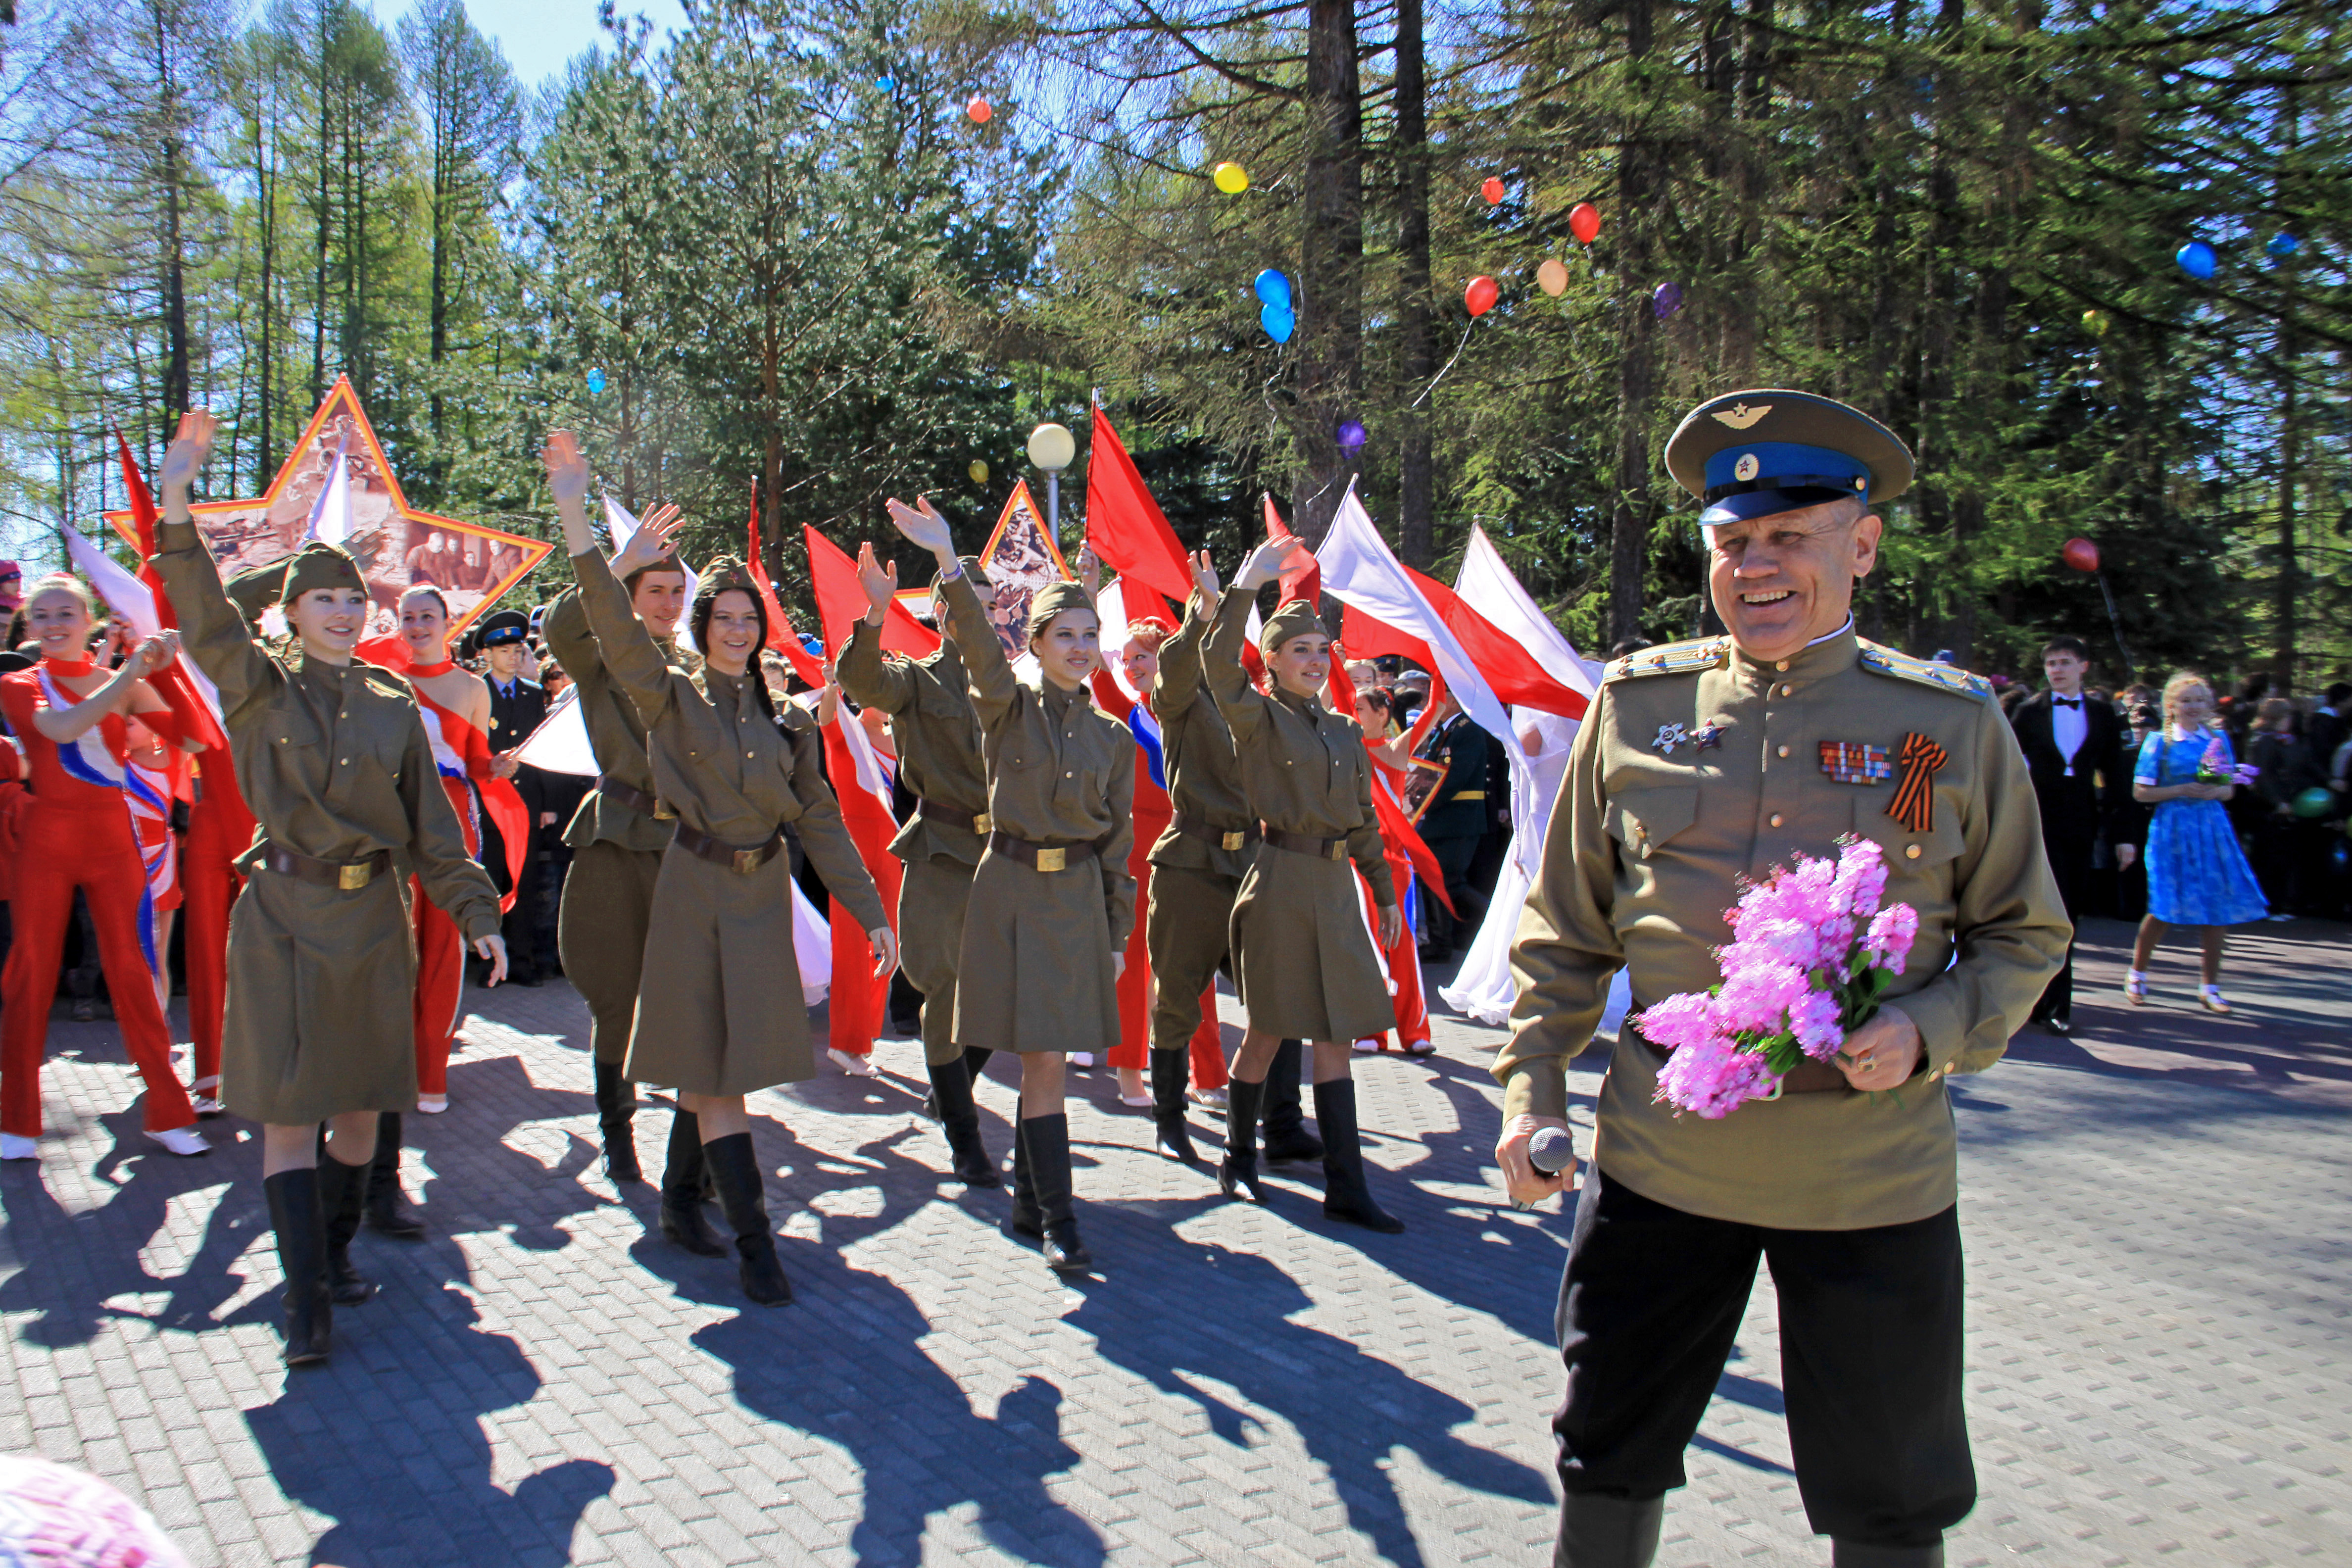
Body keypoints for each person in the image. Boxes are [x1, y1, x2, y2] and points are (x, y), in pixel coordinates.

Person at [1496, 389, 2068, 1568]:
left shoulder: (1947, 726)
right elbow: (1561, 931)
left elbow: (2022, 932)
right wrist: (1528, 1093)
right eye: (1730, 541)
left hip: (1867, 1174)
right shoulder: (1636, 705)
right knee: (1603, 1451)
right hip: (1663, 1163)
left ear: (1859, 542)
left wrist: (1926, 1025)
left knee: (1887, 1499)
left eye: (1789, 535)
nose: (1754, 566)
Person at [151, 410, 507, 1365]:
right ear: (294, 613)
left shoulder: (396, 708)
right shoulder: (257, 687)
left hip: (369, 919)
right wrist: (178, 499)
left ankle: (336, 1252)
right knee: (288, 1117)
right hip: (277, 918)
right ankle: (306, 1301)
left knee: (358, 1116)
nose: (346, 614)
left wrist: (477, 912)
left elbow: (436, 832)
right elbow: (200, 608)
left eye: (356, 602)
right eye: (325, 601)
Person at [547, 432, 892, 1306]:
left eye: (749, 619)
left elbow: (821, 822)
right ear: (702, 628)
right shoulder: (667, 690)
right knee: (701, 1065)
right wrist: (577, 521)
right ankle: (750, 1241)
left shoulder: (787, 725)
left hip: (755, 894)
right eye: (723, 617)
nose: (737, 629)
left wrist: (872, 912)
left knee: (728, 1068)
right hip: (685, 887)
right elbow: (607, 626)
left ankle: (683, 1197)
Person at [883, 493, 1134, 1274]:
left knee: (1048, 1059)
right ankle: (1057, 1216)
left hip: (1073, 905)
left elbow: (1118, 850)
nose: (1082, 647)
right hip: (1007, 895)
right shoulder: (1004, 707)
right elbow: (978, 653)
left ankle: (1036, 1208)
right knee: (1034, 1057)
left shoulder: (1114, 739)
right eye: (1066, 635)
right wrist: (949, 555)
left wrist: (1118, 935)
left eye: (1092, 635)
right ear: (1036, 643)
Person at [1202, 539, 1408, 1232]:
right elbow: (1213, 662)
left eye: (1323, 651)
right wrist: (1244, 585)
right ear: (1272, 661)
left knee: (1338, 1036)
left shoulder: (1348, 732)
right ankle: (1238, 1156)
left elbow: (1362, 823)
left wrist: (1382, 895)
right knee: (1267, 1030)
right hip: (1279, 883)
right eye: (1300, 652)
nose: (1315, 663)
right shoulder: (1257, 717)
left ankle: (1346, 1188)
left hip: (1334, 888)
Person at [0, 574, 208, 1163]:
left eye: (66, 611)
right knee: (29, 975)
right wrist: (126, 676)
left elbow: (193, 740)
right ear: (29, 626)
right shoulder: (21, 683)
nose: (54, 623)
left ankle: (168, 1113)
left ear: (86, 616)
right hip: (46, 841)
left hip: (112, 840)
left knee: (135, 971)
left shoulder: (120, 682)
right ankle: (16, 1119)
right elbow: (59, 729)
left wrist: (163, 669)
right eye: (41, 615)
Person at [1137, 563, 1319, 1165]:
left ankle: (1282, 1123)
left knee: (1279, 996)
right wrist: (1209, 607)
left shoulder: (1258, 702)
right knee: (1177, 999)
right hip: (1193, 864)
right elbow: (1178, 668)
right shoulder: (1184, 698)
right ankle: (1169, 1119)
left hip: (1256, 864)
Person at [836, 542, 1001, 1186]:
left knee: (1004, 996)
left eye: (988, 608)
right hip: (940, 852)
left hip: (1003, 856)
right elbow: (862, 680)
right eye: (964, 606)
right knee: (945, 992)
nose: (977, 616)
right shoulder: (919, 678)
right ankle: (966, 1140)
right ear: (940, 612)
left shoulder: (1012, 683)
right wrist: (874, 613)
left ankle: (948, 1087)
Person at [541, 502, 693, 1190]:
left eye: (676, 592)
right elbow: (559, 625)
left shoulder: (697, 662)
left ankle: (697, 1156)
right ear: (631, 598)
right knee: (615, 997)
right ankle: (618, 1134)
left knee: (696, 999)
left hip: (689, 848)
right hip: (614, 839)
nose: (667, 603)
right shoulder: (602, 653)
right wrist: (621, 561)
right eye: (653, 591)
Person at [2008, 636, 2133, 1033]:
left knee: (2067, 915)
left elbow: (2117, 776)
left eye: (2064, 662)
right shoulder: (2028, 713)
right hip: (2035, 825)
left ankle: (2060, 1006)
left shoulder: (2103, 714)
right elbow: (2006, 769)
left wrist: (2124, 835)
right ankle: (2027, 1001)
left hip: (2081, 826)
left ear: (2083, 666)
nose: (2057, 670)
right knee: (2031, 912)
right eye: (2051, 664)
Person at [2126, 673, 2268, 1011]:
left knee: (2216, 909)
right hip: (2172, 830)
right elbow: (2140, 791)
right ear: (2172, 705)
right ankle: (2138, 974)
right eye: (2186, 700)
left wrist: (2213, 790)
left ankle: (2210, 987)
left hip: (2211, 828)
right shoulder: (2160, 742)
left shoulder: (2217, 739)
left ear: (2208, 705)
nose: (2193, 706)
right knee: (2163, 906)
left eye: (2199, 700)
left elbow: (2229, 788)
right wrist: (2180, 789)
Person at [479, 610, 553, 984]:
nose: (512, 656)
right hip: (489, 803)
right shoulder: (477, 692)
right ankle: (489, 964)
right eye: (504, 650)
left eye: (517, 649)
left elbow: (542, 753)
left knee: (524, 882)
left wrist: (547, 805)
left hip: (526, 804)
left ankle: (521, 960)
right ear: (487, 655)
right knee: (490, 881)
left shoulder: (534, 694)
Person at [1412, 690, 1499, 963]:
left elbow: (1455, 777)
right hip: (1442, 819)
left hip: (1458, 818)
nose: (1429, 704)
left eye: (1434, 697)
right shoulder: (1445, 731)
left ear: (1450, 699)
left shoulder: (1468, 729)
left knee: (1450, 881)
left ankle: (1497, 924)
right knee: (1433, 880)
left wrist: (1419, 803)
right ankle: (1441, 943)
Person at [2245, 696, 2330, 918]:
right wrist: (2278, 802)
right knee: (2269, 858)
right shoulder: (2262, 741)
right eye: (2286, 716)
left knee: (2287, 857)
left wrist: (2329, 781)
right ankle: (2266, 905)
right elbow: (2262, 775)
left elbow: (2308, 764)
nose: (2290, 720)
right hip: (2269, 808)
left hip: (2294, 803)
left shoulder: (2291, 740)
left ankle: (2282, 903)